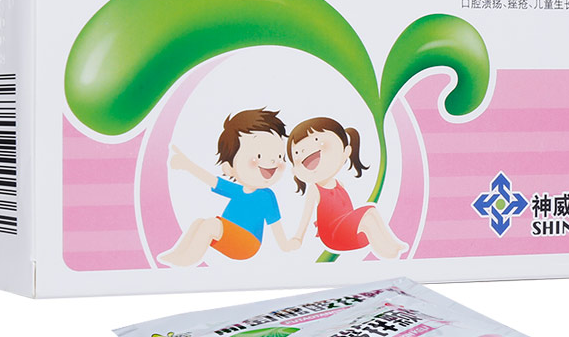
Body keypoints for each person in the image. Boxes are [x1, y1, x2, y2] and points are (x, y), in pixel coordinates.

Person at [158, 108, 300, 266]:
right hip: (230, 235)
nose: (273, 162)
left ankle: (188, 260)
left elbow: (276, 228)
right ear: (229, 168)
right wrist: (187, 165)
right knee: (199, 222)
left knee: (211, 225)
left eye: (280, 156)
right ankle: (178, 254)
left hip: (247, 243)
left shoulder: (266, 197)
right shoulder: (239, 191)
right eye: (259, 156)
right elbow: (212, 180)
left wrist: (287, 245)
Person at [286, 117, 406, 259]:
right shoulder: (315, 189)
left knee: (371, 212)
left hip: (351, 232)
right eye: (297, 154)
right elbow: (306, 216)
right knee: (369, 213)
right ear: (295, 170)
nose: (304, 152)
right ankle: (389, 253)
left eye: (317, 140)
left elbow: (347, 211)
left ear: (346, 151)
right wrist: (298, 238)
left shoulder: (339, 184)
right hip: (335, 236)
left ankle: (392, 246)